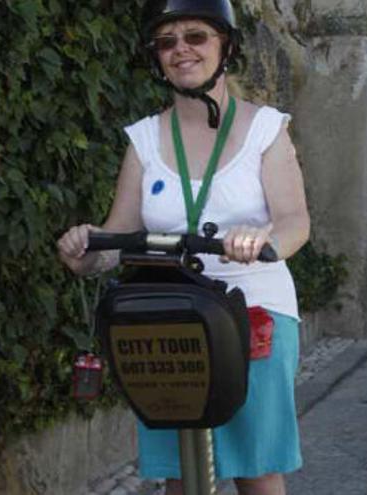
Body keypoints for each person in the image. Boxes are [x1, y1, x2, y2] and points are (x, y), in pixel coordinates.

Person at [56, 1, 309, 494]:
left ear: (225, 46)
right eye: (167, 42)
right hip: (170, 312)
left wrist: (263, 240)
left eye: (196, 36)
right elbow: (118, 235)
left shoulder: (265, 129)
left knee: (256, 467)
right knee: (179, 470)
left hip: (252, 307)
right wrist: (86, 253)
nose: (181, 50)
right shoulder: (145, 140)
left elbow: (296, 222)